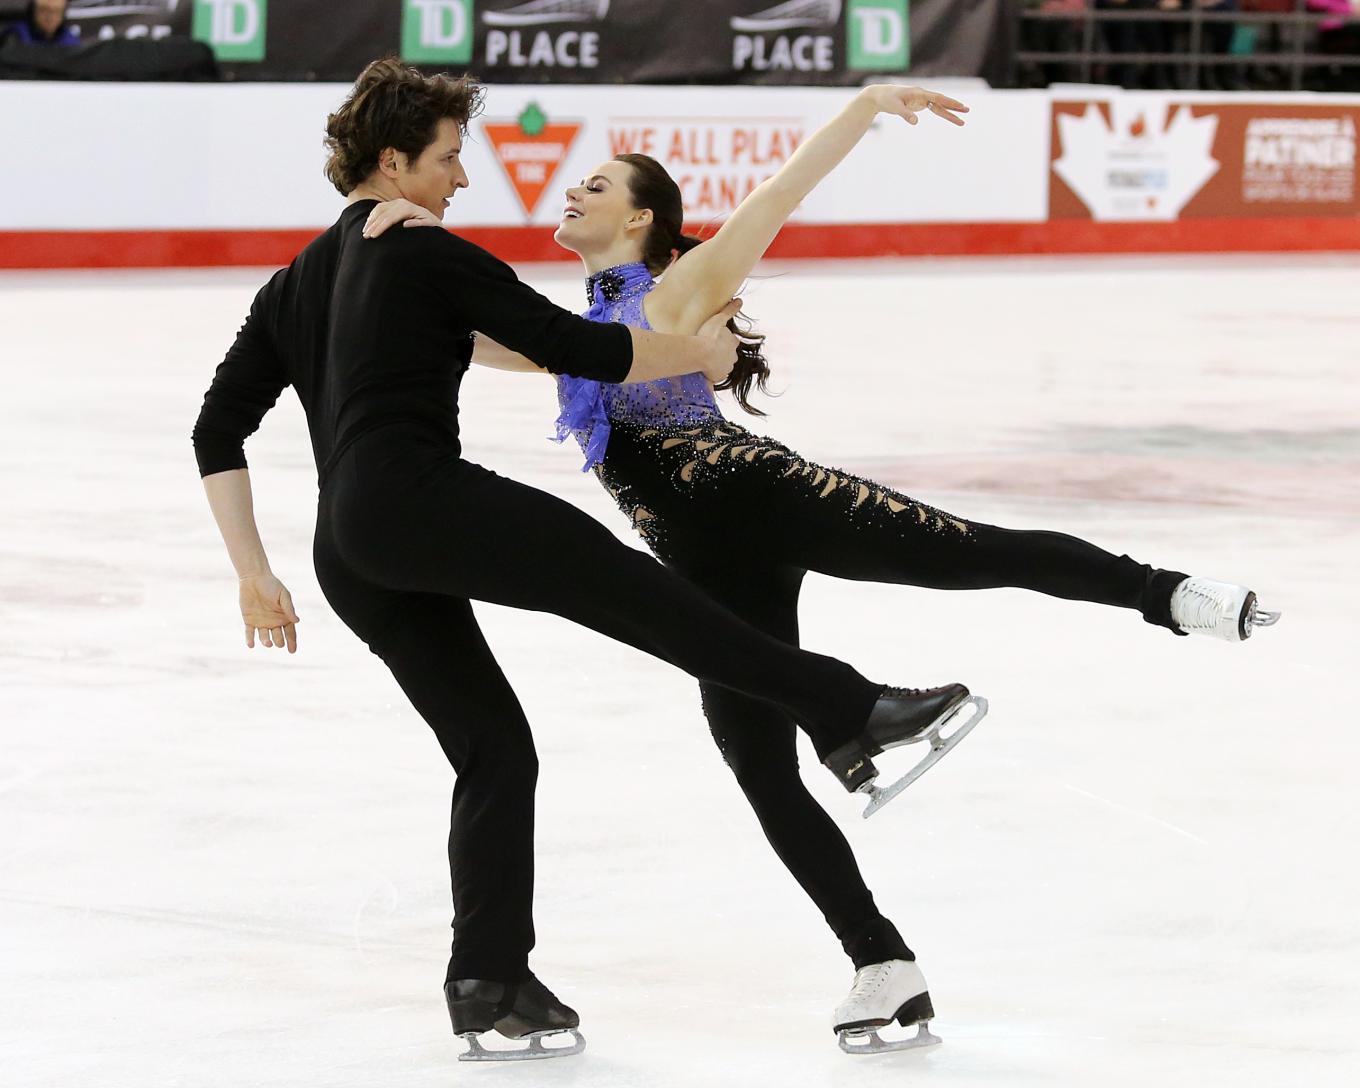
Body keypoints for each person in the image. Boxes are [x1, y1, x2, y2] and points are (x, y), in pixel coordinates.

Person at [366, 81, 1280, 1054]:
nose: (573, 193)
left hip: (765, 495)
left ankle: (1172, 594)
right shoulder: (574, 337)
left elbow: (775, 196)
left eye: (595, 185)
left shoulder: (681, 287)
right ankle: (882, 961)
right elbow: (450, 328)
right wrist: (371, 263)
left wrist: (864, 108)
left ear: (639, 216)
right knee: (760, 769)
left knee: (973, 551)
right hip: (700, 567)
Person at [193, 60, 979, 1062]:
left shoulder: (293, 280)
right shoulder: (429, 250)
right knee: (639, 592)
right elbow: (586, 348)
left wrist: (253, 572)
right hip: (419, 499)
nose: (459, 182)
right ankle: (844, 709)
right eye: (444, 160)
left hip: (345, 547)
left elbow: (217, 427)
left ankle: (488, 979)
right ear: (393, 162)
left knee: (493, 747)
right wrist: (695, 358)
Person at [2, 0, 79, 45]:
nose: (50, 17)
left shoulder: (70, 41)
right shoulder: (17, 35)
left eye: (56, 11)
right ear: (33, 11)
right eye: (44, 10)